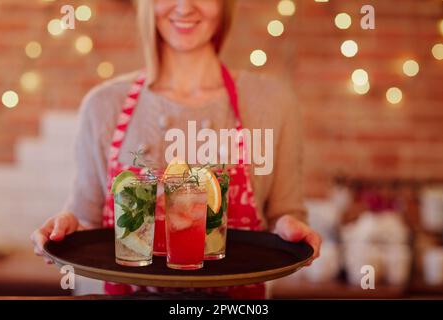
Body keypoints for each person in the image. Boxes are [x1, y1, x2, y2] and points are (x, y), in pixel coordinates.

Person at [31, 0, 321, 299]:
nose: (185, 7)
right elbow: (86, 219)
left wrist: (291, 229)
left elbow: (284, 213)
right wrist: (66, 226)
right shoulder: (104, 105)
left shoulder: (272, 103)